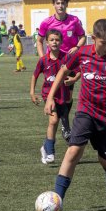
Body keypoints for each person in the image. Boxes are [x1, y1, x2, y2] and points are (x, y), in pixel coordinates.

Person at [44, 19, 106, 202]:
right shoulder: (82, 53)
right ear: (93, 38)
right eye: (103, 43)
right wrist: (51, 97)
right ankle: (57, 197)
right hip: (86, 111)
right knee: (73, 151)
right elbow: (63, 71)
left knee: (105, 160)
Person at [37, 0, 86, 141]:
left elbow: (83, 36)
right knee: (59, 94)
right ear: (53, 5)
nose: (60, 5)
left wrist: (77, 47)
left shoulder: (74, 21)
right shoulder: (46, 22)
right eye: (57, 3)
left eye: (63, 3)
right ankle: (65, 124)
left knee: (68, 96)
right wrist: (43, 59)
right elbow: (39, 40)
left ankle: (63, 121)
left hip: (70, 63)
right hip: (54, 64)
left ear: (66, 5)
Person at [30, 29, 80, 164]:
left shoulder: (66, 57)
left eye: (57, 40)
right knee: (53, 121)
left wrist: (74, 80)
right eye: (51, 40)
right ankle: (50, 152)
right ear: (47, 42)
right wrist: (32, 92)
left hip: (63, 96)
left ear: (62, 42)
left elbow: (79, 70)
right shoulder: (43, 60)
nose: (54, 42)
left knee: (55, 123)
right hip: (48, 95)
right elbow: (35, 75)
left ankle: (45, 147)